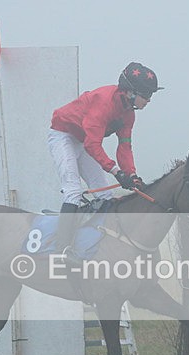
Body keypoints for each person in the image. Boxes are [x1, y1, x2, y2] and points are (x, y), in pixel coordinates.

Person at [47, 61, 163, 263]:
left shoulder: (129, 114)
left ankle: (98, 246)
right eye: (146, 95)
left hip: (82, 141)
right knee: (73, 191)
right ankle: (60, 252)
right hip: (63, 136)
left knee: (105, 195)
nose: (149, 100)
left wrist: (131, 174)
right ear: (130, 92)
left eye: (150, 95)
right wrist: (117, 172)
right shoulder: (104, 102)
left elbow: (124, 147)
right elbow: (93, 145)